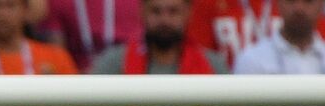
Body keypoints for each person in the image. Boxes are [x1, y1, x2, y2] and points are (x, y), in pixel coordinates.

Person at [186, 0, 325, 70]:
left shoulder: (298, 4)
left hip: (288, 99)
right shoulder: (206, 3)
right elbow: (199, 57)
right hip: (226, 102)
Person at [92, 0, 227, 75]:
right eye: (156, 11)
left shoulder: (213, 66)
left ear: (188, 12)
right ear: (142, 11)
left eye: (173, 11)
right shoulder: (114, 64)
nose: (164, 20)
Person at [232, 0, 325, 74]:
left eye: (308, 1)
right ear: (278, 3)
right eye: (291, 0)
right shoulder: (252, 60)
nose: (299, 8)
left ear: (322, 5)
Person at [0, 0, 79, 75]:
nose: (2, 14)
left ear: (25, 10)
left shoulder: (56, 56)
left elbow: (77, 102)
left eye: (11, 5)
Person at [40, 0, 141, 70]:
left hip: (127, 77)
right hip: (77, 84)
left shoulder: (137, 4)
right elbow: (57, 57)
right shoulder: (58, 3)